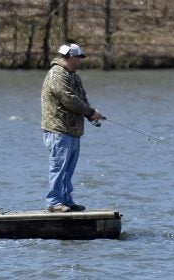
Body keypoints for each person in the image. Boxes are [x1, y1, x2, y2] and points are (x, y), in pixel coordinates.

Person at [41, 43, 104, 212]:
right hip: (58, 130)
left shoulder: (73, 76)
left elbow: (81, 98)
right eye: (78, 58)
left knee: (68, 170)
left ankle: (66, 200)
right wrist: (90, 111)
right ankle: (54, 202)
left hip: (73, 131)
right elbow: (68, 99)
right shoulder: (57, 74)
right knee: (58, 167)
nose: (80, 61)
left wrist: (91, 115)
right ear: (70, 57)